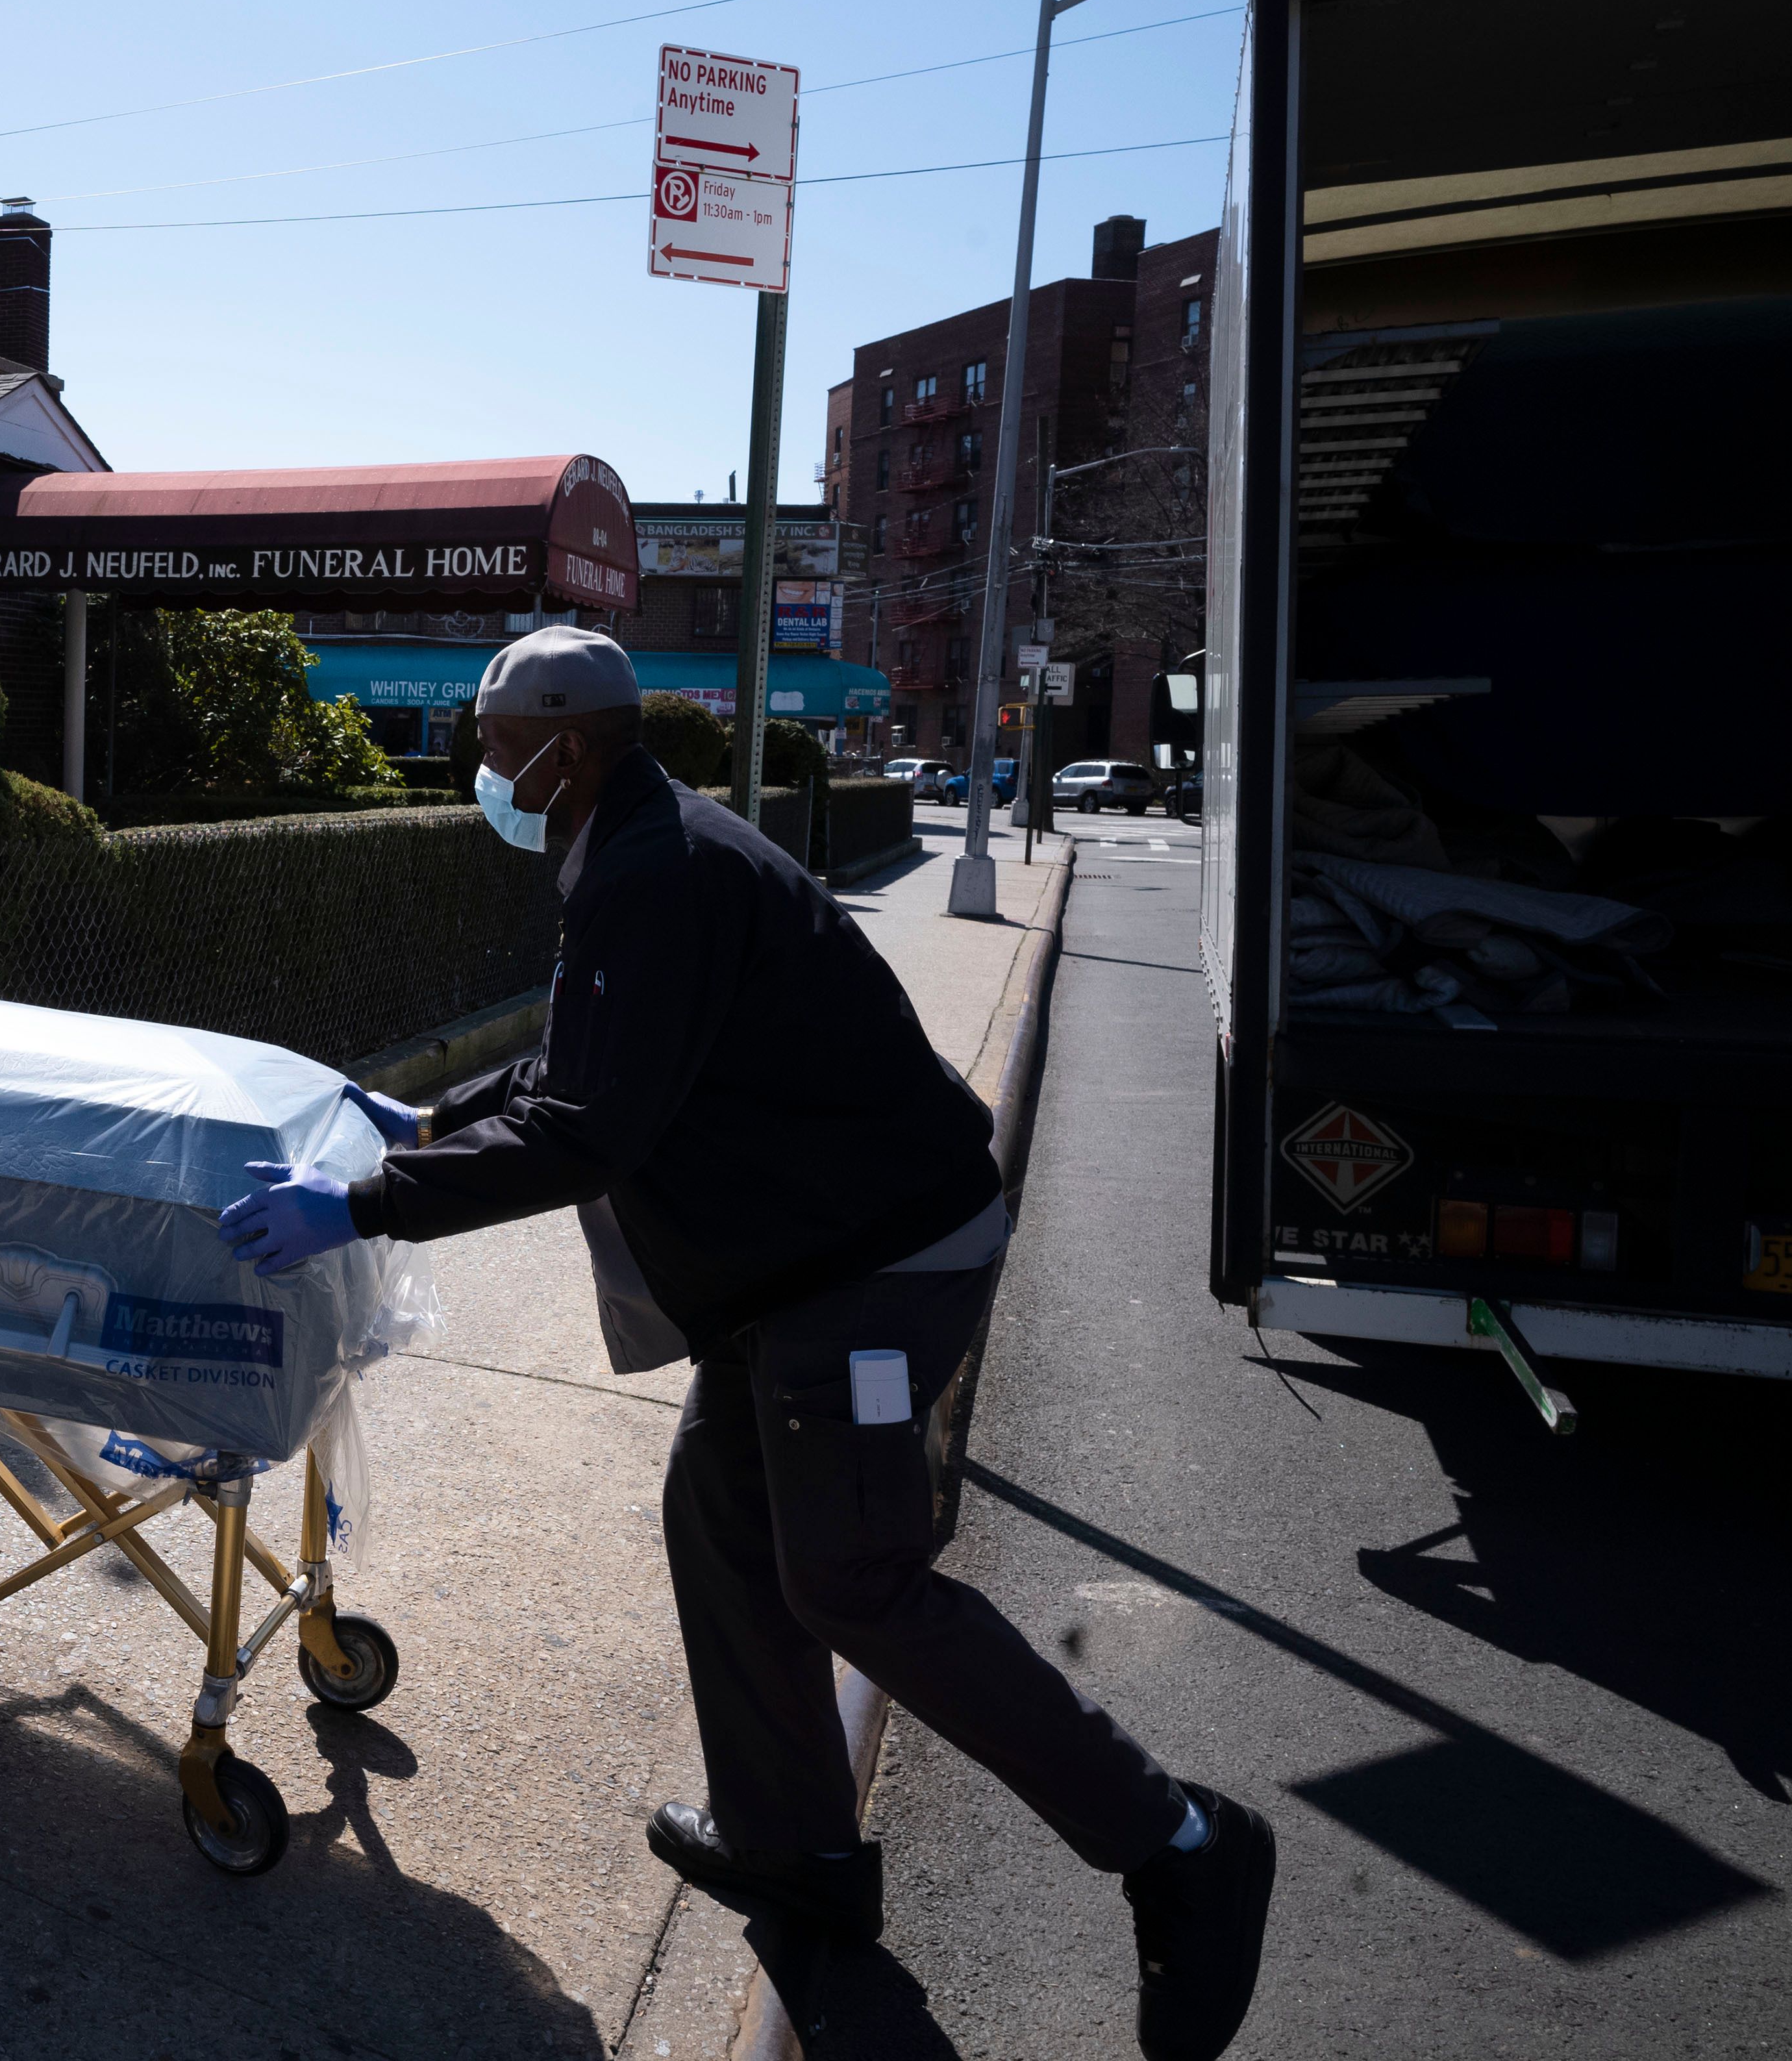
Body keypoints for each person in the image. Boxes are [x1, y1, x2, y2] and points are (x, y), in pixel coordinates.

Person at [216, 625, 1275, 2061]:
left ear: (564, 744)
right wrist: (440, 1123)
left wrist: (363, 1202)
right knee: (720, 1525)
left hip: (872, 1272)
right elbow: (598, 1060)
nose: (480, 767)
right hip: (806, 1266)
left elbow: (592, 1130)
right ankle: (796, 1854)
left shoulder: (652, 870)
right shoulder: (640, 839)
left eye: (489, 741)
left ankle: (1182, 1842)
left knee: (852, 1580)